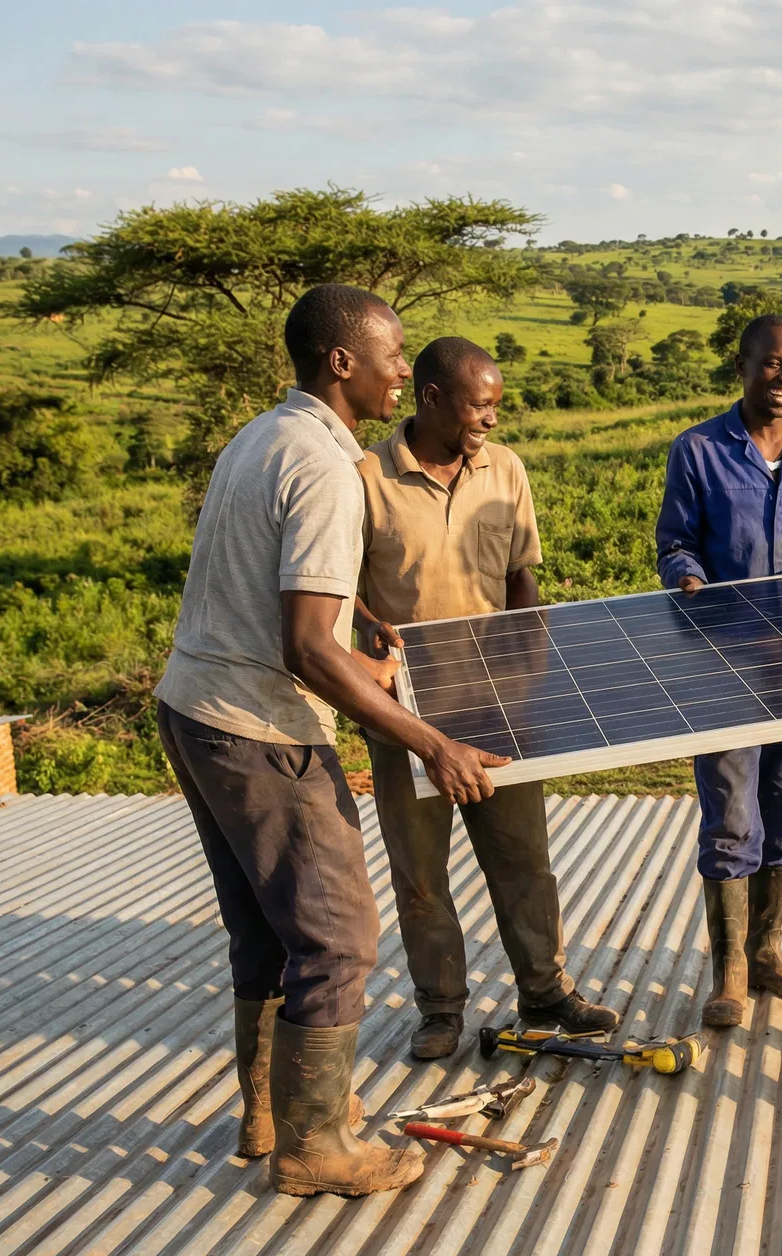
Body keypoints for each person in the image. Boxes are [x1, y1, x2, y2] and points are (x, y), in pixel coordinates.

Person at [154, 284, 508, 1197]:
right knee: (339, 936)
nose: (404, 371)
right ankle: (316, 1149)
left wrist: (360, 620)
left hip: (192, 706)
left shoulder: (265, 435)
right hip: (258, 729)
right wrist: (431, 741)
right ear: (340, 362)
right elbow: (306, 649)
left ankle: (273, 1114)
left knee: (266, 933)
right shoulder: (327, 469)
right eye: (392, 356)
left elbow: (273, 576)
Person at [351, 338, 621, 1059]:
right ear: (432, 397)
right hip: (407, 717)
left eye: (496, 406)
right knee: (420, 874)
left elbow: (522, 575)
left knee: (524, 862)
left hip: (499, 708)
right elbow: (337, 592)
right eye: (479, 405)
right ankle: (441, 1010)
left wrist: (528, 670)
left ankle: (546, 992)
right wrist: (369, 639)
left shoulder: (506, 470)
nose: (491, 421)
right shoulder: (367, 477)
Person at [655, 314, 782, 1029]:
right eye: (773, 365)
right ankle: (730, 972)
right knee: (729, 818)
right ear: (741, 367)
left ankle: (770, 953)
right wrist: (685, 576)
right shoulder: (698, 451)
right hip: (725, 664)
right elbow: (675, 543)